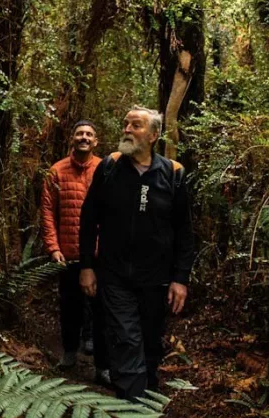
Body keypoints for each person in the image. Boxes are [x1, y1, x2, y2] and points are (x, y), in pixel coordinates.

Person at [78, 106, 195, 399]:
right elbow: (89, 219)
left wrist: (181, 278)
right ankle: (132, 405)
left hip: (155, 279)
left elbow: (184, 231)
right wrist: (87, 266)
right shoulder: (110, 168)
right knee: (126, 339)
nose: (127, 129)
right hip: (115, 276)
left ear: (154, 135)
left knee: (151, 343)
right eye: (126, 124)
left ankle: (147, 395)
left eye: (136, 125)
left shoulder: (173, 174)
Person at [41, 120, 110, 385]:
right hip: (68, 252)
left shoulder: (106, 169)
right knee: (70, 304)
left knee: (102, 309)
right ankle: (69, 352)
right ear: (72, 138)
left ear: (96, 141)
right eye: (79, 133)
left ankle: (102, 366)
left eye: (89, 134)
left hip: (99, 253)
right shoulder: (56, 171)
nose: (84, 137)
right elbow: (47, 212)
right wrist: (53, 247)